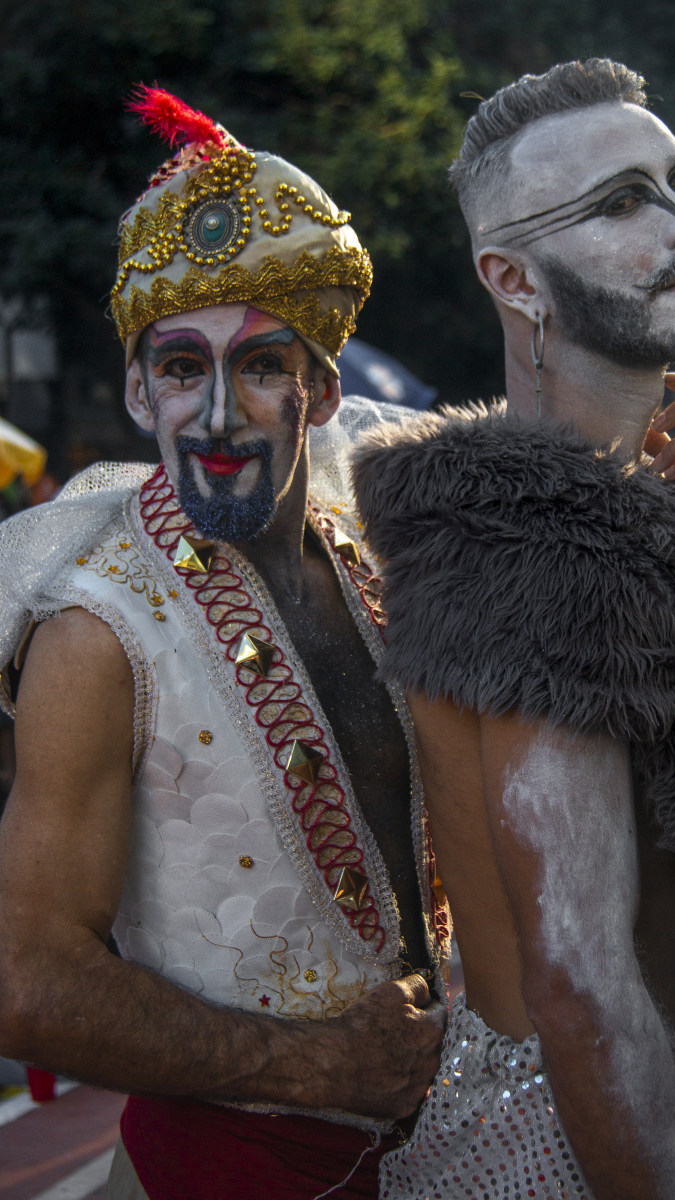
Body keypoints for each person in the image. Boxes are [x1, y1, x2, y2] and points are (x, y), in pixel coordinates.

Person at [351, 59, 675, 1199]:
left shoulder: (625, 514)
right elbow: (584, 989)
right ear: (512, 276)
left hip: (649, 1112)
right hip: (574, 1148)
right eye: (618, 202)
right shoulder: (544, 548)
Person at [0, 88, 447, 1200]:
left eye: (257, 366)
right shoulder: (94, 635)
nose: (213, 417)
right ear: (138, 389)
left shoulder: (379, 568)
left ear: (322, 391)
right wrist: (315, 1065)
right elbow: (24, 976)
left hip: (450, 1146)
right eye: (183, 368)